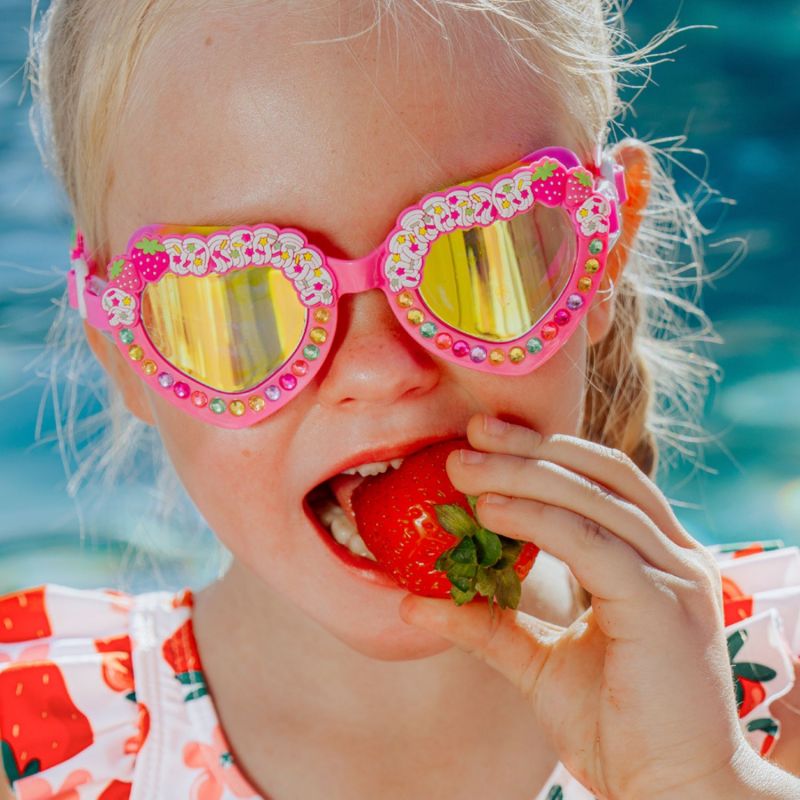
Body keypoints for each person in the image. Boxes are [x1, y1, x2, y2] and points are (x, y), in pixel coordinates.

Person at [1, 1, 799, 798]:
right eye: (241, 303)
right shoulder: (38, 740)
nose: (382, 368)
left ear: (600, 256)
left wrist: (701, 781)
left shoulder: (780, 680)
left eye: (476, 251)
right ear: (125, 354)